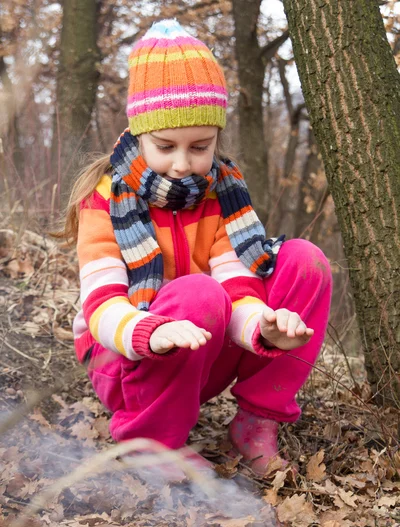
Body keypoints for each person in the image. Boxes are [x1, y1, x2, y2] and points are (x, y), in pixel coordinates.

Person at [61, 19, 332, 476]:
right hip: (124, 354)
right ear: (138, 133)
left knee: (304, 260)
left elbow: (239, 287)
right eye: (165, 146)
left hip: (198, 344)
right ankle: (149, 442)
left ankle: (255, 423)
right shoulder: (105, 197)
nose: (182, 165)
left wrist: (263, 329)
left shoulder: (221, 195)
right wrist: (149, 330)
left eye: (200, 147)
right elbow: (101, 305)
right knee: (197, 292)